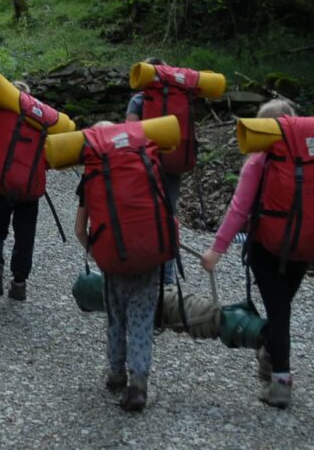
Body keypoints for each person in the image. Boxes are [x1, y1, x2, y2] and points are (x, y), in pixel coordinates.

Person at [200, 99, 314, 409]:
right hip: (305, 246)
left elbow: (240, 208)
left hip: (267, 248)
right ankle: (269, 359)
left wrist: (217, 249)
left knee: (279, 311)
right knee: (280, 307)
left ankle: (281, 381)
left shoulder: (260, 160)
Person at [75, 121, 163, 413]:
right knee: (142, 319)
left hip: (114, 261)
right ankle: (138, 383)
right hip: (150, 254)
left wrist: (96, 251)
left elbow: (79, 229)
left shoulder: (93, 171)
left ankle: (116, 375)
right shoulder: (143, 157)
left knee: (116, 318)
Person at [0, 81, 43, 301]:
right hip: (30, 188)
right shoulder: (40, 120)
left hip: (2, 185)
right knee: (25, 236)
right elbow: (52, 156)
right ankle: (18, 283)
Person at [125, 57, 181, 286]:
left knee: (140, 215)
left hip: (144, 165)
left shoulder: (139, 100)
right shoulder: (179, 99)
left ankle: (139, 270)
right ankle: (167, 278)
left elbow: (130, 132)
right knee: (169, 215)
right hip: (172, 165)